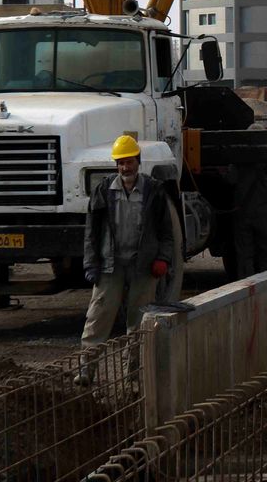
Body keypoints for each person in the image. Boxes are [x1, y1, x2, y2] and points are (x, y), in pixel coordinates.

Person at [76, 134, 175, 384]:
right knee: (98, 318)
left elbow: (166, 232)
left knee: (139, 321)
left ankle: (134, 372)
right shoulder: (103, 190)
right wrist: (91, 264)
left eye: (128, 162)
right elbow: (92, 232)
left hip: (143, 267)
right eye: (120, 163)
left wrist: (163, 258)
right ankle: (87, 370)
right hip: (111, 265)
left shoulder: (153, 190)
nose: (124, 167)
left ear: (138, 162)